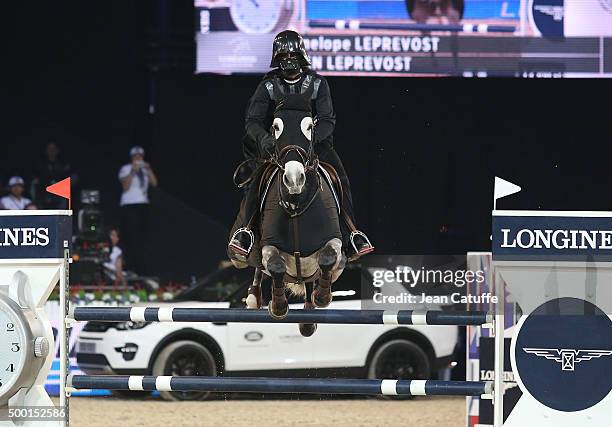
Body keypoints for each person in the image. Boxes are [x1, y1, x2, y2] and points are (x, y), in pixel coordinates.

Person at [228, 30, 373, 261]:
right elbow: (253, 121)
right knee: (258, 180)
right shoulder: (268, 85)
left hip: (314, 145)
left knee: (340, 178)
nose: (288, 60)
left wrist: (310, 141)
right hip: (278, 147)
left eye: (292, 54)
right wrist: (266, 140)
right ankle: (246, 233)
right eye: (283, 55)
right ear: (277, 58)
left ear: (301, 56)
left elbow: (327, 119)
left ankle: (352, 234)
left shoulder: (317, 83)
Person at [118, 146, 158, 273]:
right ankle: (130, 266)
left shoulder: (145, 170)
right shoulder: (126, 169)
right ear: (132, 157)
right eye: (135, 156)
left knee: (142, 237)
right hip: (130, 205)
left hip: (143, 205)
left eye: (140, 156)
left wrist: (149, 169)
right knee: (131, 236)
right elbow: (125, 186)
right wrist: (133, 171)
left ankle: (141, 267)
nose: (138, 158)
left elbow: (154, 183)